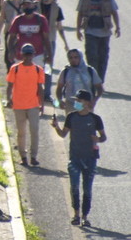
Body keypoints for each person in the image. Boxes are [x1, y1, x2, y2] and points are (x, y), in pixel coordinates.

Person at [50, 89, 106, 227]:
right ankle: (76, 215)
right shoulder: (71, 117)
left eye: (79, 101)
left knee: (87, 189)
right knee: (74, 187)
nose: (76, 103)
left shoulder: (95, 119)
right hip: (74, 158)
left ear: (87, 103)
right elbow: (63, 134)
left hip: (90, 159)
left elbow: (103, 137)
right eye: (76, 100)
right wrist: (56, 126)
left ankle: (85, 217)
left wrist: (97, 139)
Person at [75, 0, 120, 81]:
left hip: (104, 32)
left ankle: (100, 80)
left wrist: (118, 27)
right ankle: (93, 79)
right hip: (90, 31)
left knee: (103, 57)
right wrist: (78, 29)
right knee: (92, 55)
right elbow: (80, 13)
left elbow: (114, 12)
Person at [6, 44, 45, 166]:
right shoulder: (15, 68)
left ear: (33, 55)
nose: (28, 57)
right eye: (26, 54)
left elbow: (40, 88)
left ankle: (33, 156)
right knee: (21, 132)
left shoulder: (38, 69)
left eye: (30, 54)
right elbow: (10, 85)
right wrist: (9, 99)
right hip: (18, 105)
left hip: (33, 104)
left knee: (34, 131)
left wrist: (41, 104)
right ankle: (23, 156)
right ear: (22, 55)